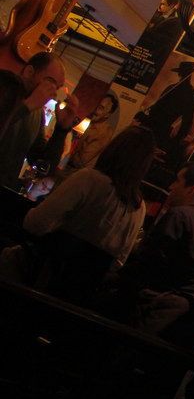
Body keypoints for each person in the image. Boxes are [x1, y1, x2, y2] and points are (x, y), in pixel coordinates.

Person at [12, 126, 154, 304]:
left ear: (114, 148)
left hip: (43, 277)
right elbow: (118, 263)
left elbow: (34, 223)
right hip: (82, 298)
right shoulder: (139, 208)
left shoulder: (89, 179)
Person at [112, 161, 194, 339]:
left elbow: (146, 264)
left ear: (192, 190)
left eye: (178, 181)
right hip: (187, 325)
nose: (171, 187)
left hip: (157, 315)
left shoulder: (180, 215)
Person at [0, 52, 65, 190]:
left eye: (57, 87)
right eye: (50, 82)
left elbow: (41, 163)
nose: (53, 92)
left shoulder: (37, 112)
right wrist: (27, 106)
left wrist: (62, 129)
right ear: (29, 72)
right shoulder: (5, 85)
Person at [137, 61, 194, 170]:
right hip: (156, 127)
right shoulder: (175, 88)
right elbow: (186, 120)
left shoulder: (189, 93)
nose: (184, 75)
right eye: (184, 72)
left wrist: (177, 140)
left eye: (185, 73)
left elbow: (187, 120)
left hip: (161, 129)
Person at [61, 91, 120, 177]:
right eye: (97, 105)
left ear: (107, 115)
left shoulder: (102, 133)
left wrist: (67, 150)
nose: (95, 110)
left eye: (101, 108)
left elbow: (80, 162)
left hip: (74, 176)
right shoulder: (90, 122)